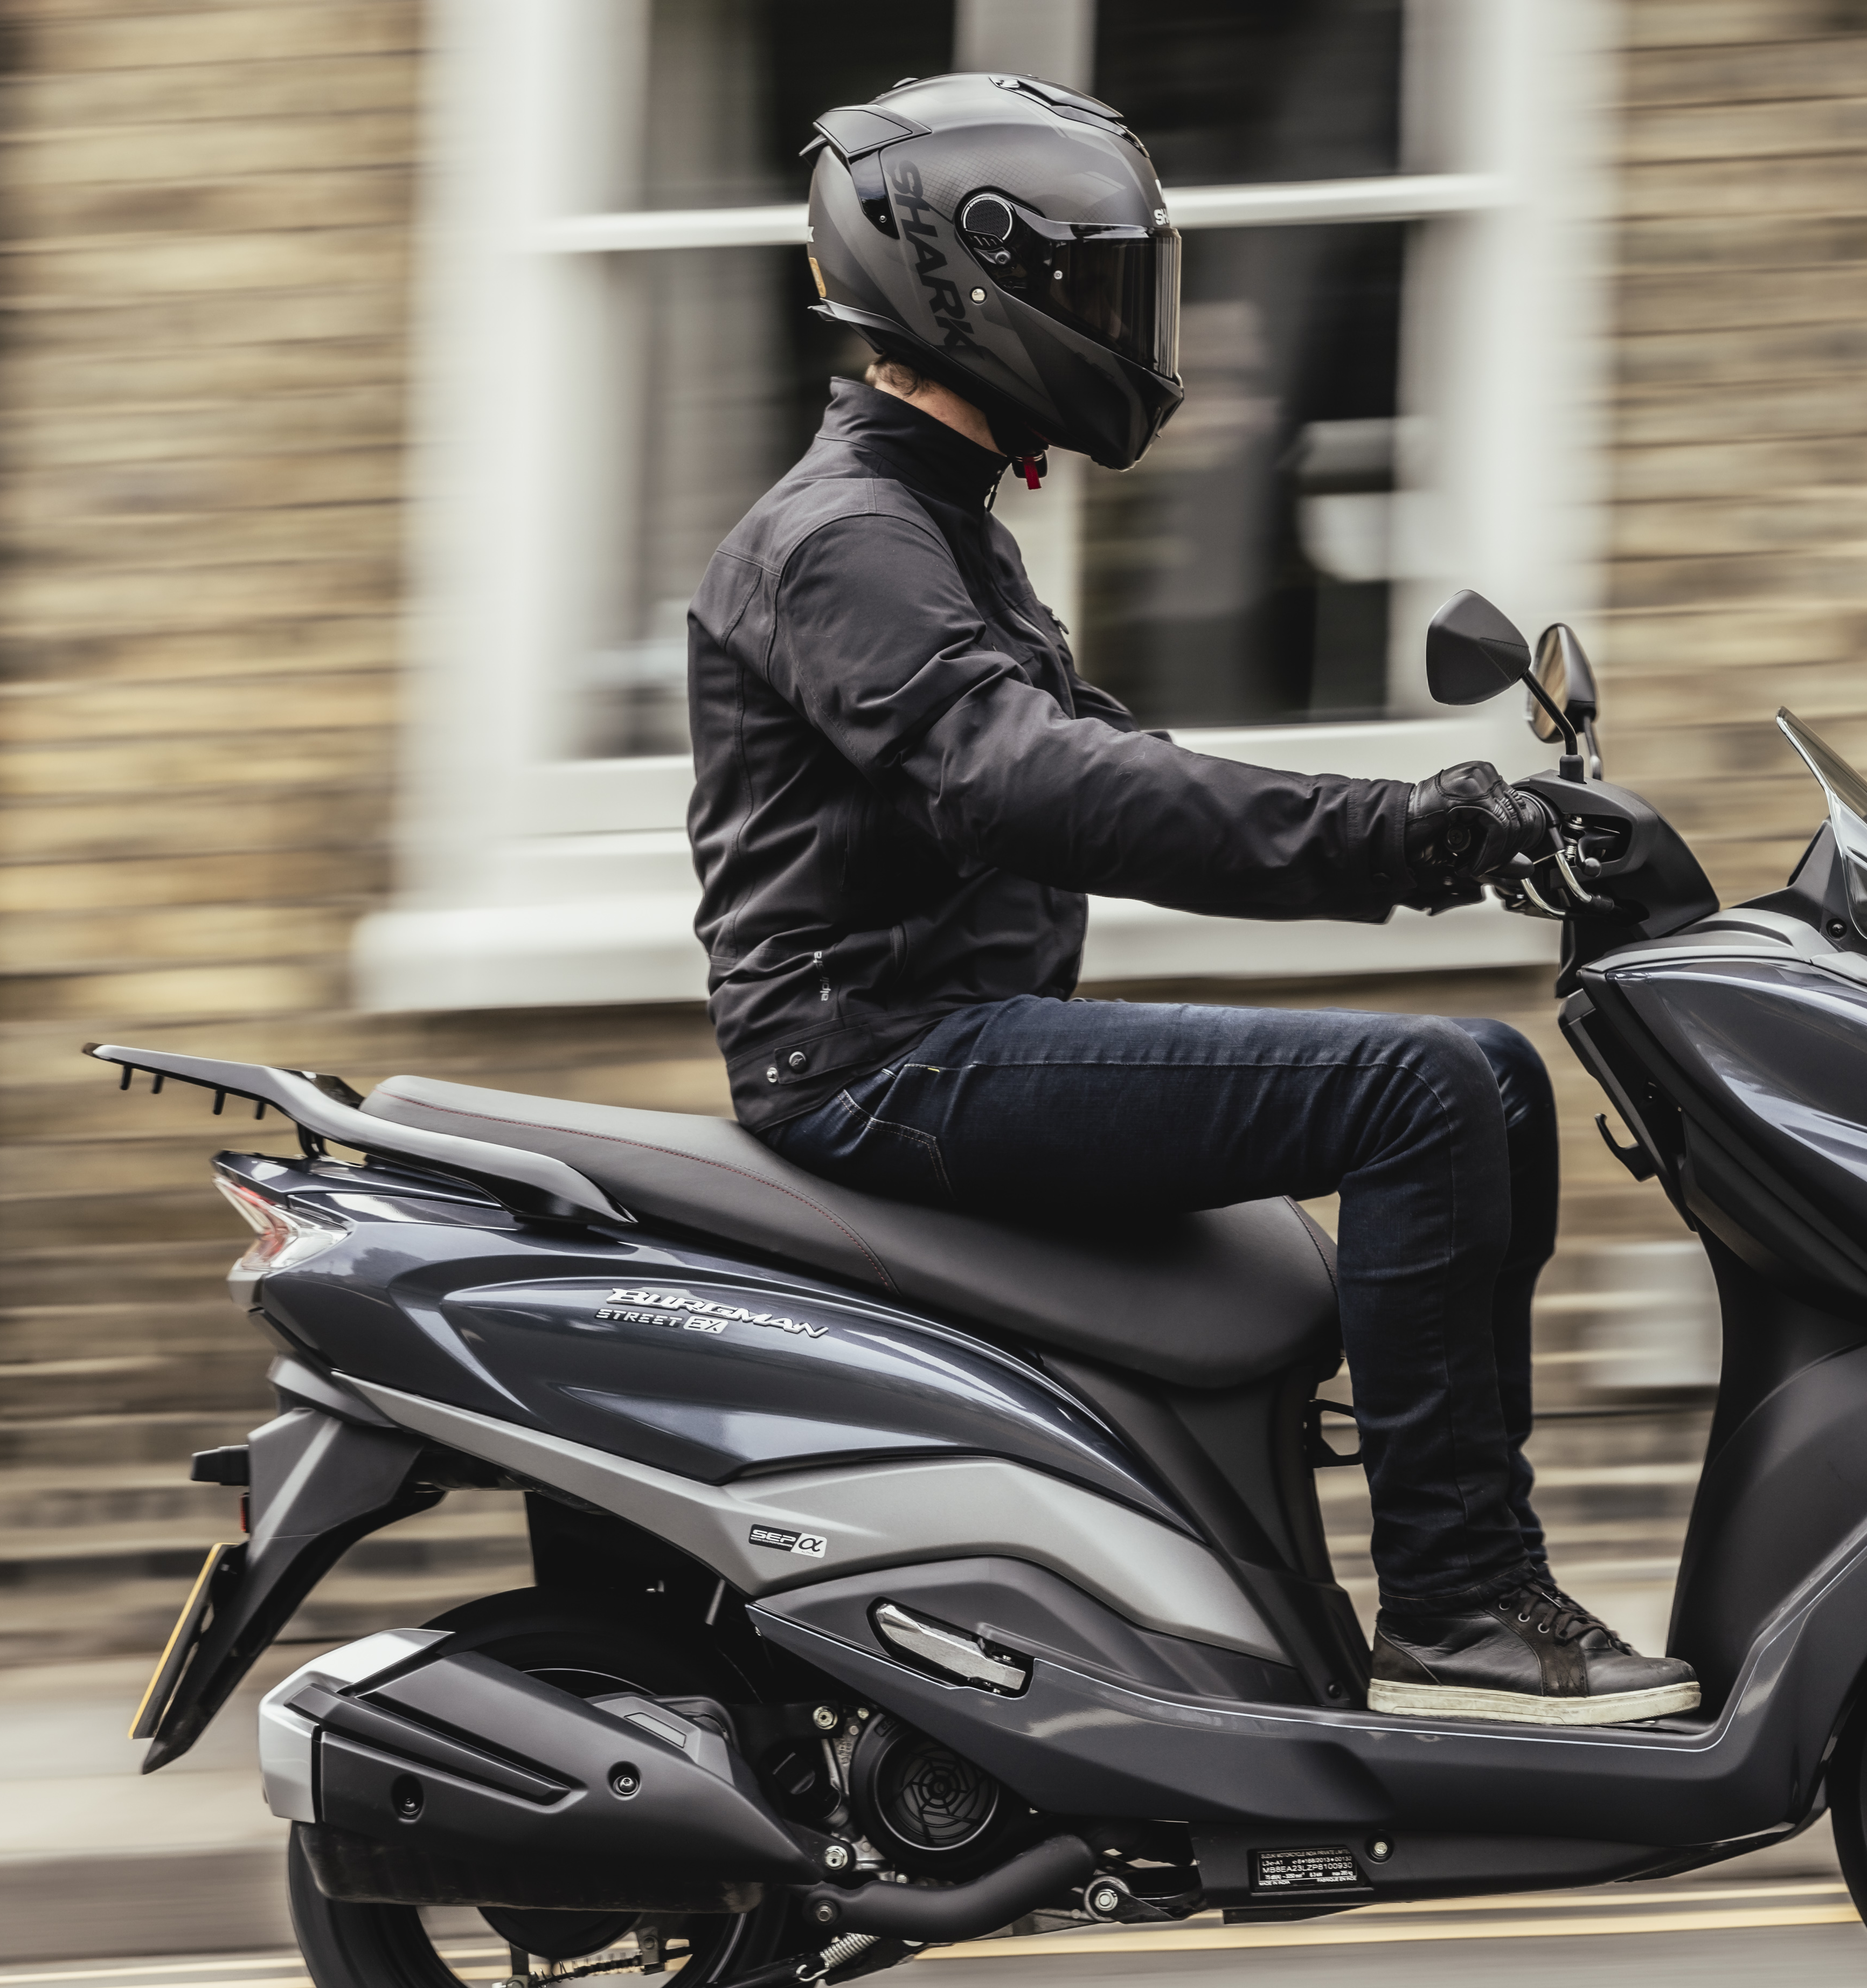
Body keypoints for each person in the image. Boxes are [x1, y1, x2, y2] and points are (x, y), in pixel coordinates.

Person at [684, 72, 1697, 1727]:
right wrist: (1403, 840)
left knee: (1491, 1076)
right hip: (883, 1061)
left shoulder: (930, 525)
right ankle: (1456, 1604)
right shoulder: (847, 538)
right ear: (962, 282)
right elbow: (1034, 783)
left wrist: (1464, 838)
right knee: (1423, 1092)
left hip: (943, 1037)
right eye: (1091, 288)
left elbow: (1113, 764)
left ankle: (1469, 1572)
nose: (1128, 327)